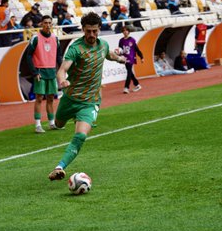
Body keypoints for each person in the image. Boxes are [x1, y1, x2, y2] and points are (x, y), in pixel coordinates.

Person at [48, 12, 126, 181]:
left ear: (99, 30)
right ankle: (72, 117)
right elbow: (62, 70)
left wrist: (120, 59)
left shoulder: (103, 45)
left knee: (81, 136)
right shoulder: (76, 48)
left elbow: (109, 54)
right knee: (59, 124)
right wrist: (62, 81)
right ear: (83, 29)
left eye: (95, 31)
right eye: (88, 31)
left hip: (90, 101)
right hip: (70, 99)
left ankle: (59, 167)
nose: (92, 35)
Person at [26, 15, 63, 133]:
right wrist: (34, 72)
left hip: (51, 71)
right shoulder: (35, 38)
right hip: (40, 72)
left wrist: (61, 69)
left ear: (52, 25)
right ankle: (37, 125)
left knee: (51, 98)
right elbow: (28, 55)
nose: (47, 25)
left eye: (49, 23)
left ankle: (51, 123)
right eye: (45, 23)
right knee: (39, 98)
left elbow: (59, 56)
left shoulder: (55, 38)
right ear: (41, 24)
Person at [118, 26, 143, 94]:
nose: (125, 32)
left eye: (126, 30)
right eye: (123, 30)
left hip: (131, 58)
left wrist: (141, 57)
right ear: (122, 32)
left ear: (129, 32)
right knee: (130, 72)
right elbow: (120, 50)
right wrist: (119, 55)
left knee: (129, 72)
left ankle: (126, 87)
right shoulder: (121, 40)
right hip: (124, 59)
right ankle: (137, 84)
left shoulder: (132, 40)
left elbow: (137, 49)